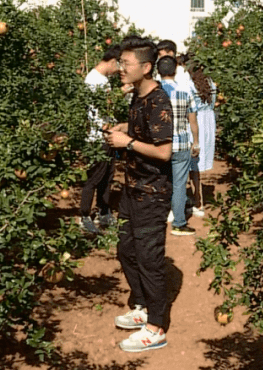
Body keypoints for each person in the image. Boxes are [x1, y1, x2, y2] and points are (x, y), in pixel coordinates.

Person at [104, 37, 173, 352]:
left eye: (126, 64)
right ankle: (143, 305)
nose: (120, 68)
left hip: (152, 193)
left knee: (150, 259)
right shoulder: (138, 97)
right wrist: (123, 128)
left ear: (146, 68)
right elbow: (142, 129)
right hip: (132, 188)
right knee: (126, 250)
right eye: (120, 62)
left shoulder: (159, 100)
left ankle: (156, 327)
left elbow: (163, 152)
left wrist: (127, 143)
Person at [79, 45, 123, 235]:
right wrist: (123, 92)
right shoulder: (95, 80)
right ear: (113, 61)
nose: (119, 70)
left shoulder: (101, 79)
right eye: (119, 65)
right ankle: (84, 216)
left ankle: (104, 212)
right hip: (97, 137)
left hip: (107, 135)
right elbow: (104, 107)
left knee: (107, 176)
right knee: (94, 178)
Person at [156, 55, 200, 236]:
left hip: (158, 145)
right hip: (180, 142)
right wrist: (195, 142)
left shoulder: (154, 93)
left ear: (157, 71)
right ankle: (179, 222)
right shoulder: (185, 92)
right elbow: (193, 121)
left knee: (159, 181)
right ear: (175, 70)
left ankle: (159, 216)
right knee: (179, 183)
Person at [184, 56, 217, 215]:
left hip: (196, 123)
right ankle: (195, 198)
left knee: (192, 165)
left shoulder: (189, 86)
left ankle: (198, 202)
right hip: (208, 123)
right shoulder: (211, 84)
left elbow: (189, 109)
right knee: (196, 165)